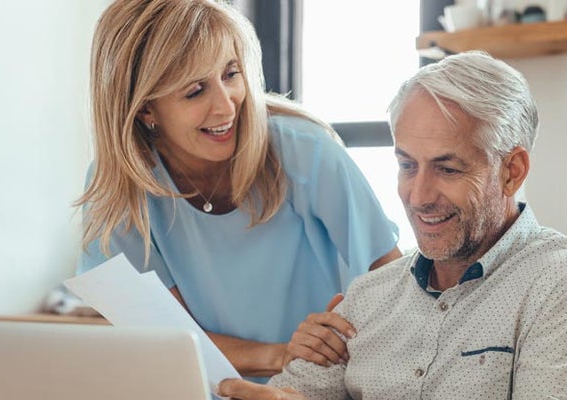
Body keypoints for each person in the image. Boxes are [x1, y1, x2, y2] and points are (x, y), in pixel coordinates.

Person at [218, 51, 567, 399]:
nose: (419, 196)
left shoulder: (566, 285)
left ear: (511, 171)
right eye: (407, 165)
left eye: (447, 168)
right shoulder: (366, 298)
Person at [75, 0, 401, 380]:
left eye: (230, 74)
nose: (226, 105)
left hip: (312, 387)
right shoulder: (121, 187)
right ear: (146, 109)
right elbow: (167, 339)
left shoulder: (306, 152)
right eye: (195, 91)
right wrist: (282, 354)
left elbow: (395, 282)